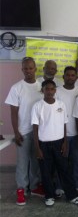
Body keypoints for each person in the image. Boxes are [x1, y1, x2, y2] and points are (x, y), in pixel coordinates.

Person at [31, 80, 78, 207]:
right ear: (42, 90)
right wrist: (37, 147)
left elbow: (64, 124)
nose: (49, 91)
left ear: (55, 90)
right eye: (47, 89)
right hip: (44, 144)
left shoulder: (61, 104)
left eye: (52, 89)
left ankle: (72, 195)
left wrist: (65, 142)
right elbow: (35, 128)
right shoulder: (37, 106)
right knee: (46, 172)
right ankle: (49, 196)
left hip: (59, 143)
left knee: (65, 170)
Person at [5, 57, 44, 205]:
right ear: (22, 70)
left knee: (35, 161)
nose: (28, 71)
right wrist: (16, 132)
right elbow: (13, 112)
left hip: (38, 132)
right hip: (23, 131)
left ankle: (34, 186)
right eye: (25, 68)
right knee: (22, 163)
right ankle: (21, 189)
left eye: (30, 68)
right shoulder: (16, 88)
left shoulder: (41, 86)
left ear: (35, 69)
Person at [56, 66, 78, 193]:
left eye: (72, 75)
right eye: (67, 75)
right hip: (60, 133)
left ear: (76, 77)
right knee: (61, 162)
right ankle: (59, 186)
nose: (70, 77)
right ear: (63, 77)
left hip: (77, 133)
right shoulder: (57, 91)